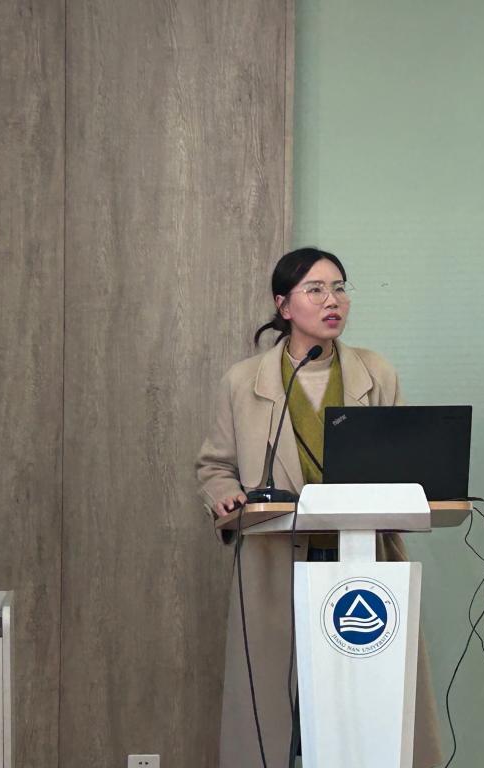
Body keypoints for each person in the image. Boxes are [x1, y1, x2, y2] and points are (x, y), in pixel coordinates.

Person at [195, 247, 443, 767]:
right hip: (276, 563)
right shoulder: (243, 381)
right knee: (281, 708)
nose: (333, 301)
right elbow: (215, 465)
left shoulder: (375, 372)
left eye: (339, 288)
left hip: (365, 561)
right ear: (283, 305)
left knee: (368, 701)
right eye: (315, 290)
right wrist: (224, 494)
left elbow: (406, 462)